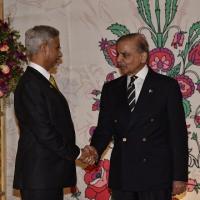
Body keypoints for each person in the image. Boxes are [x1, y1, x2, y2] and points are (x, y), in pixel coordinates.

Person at [84, 33, 188, 200]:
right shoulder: (111, 89)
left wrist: (179, 176)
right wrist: (95, 151)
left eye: (125, 55)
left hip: (155, 176)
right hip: (123, 175)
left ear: (143, 56)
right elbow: (104, 128)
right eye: (117, 54)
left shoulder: (166, 86)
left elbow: (178, 134)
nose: (119, 60)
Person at [13, 25, 91, 200]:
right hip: (40, 178)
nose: (60, 53)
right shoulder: (31, 84)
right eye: (57, 47)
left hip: (47, 176)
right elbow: (44, 131)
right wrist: (77, 153)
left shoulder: (40, 82)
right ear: (44, 48)